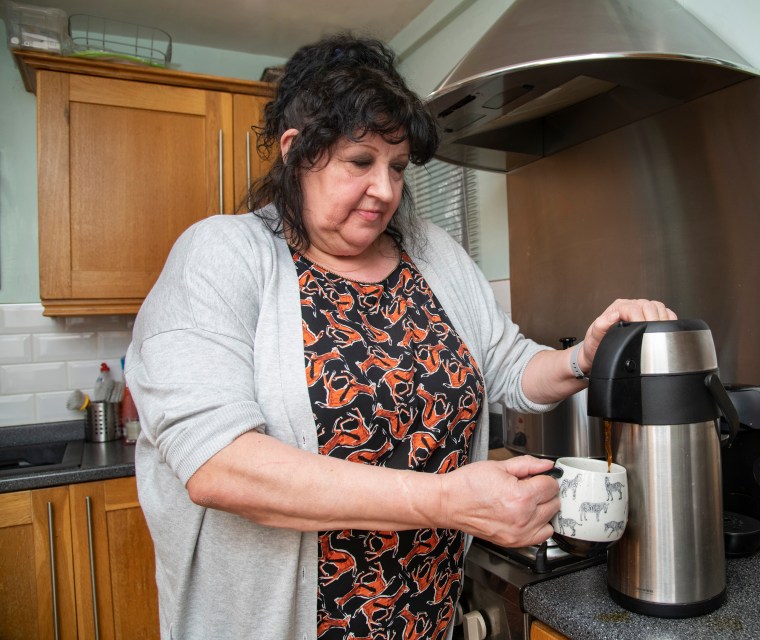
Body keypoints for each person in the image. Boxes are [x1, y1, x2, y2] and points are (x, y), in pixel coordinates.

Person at [125, 33, 677, 640]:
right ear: (296, 152)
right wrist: (446, 501)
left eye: (397, 166)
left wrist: (583, 358)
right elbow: (219, 464)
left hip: (425, 619)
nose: (385, 189)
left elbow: (505, 365)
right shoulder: (222, 255)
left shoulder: (431, 253)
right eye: (360, 162)